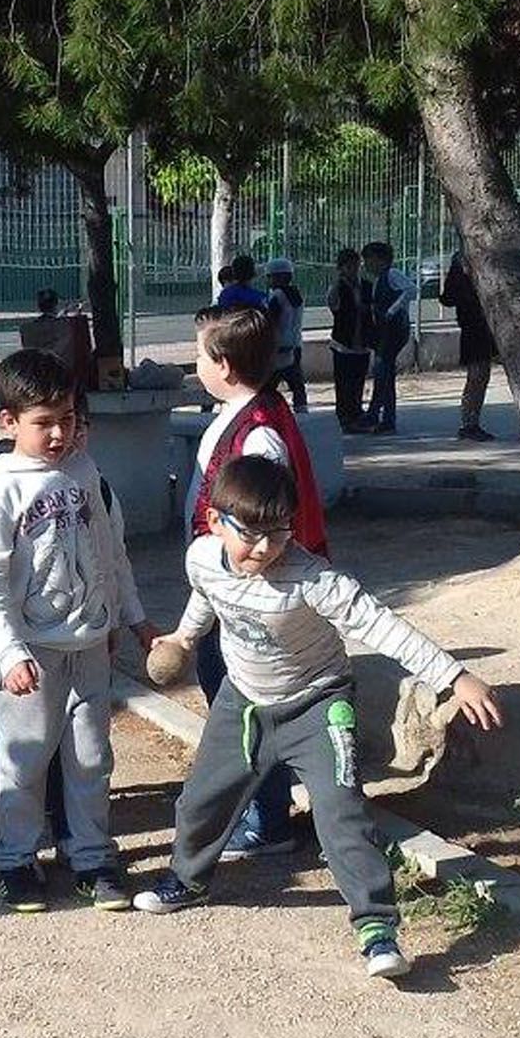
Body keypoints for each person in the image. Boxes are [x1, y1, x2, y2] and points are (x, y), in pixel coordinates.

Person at [133, 456, 504, 978]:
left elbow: (381, 625)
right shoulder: (201, 557)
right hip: (245, 702)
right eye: (251, 533)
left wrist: (452, 677)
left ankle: (376, 928)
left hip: (317, 703)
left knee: (340, 811)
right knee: (201, 799)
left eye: (279, 531)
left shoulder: (312, 580)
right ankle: (187, 880)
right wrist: (184, 638)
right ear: (216, 523)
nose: (265, 547)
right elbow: (207, 596)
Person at [0, 349, 156, 913]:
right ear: (9, 422)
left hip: (90, 648)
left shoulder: (85, 471)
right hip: (31, 654)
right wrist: (8, 649)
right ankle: (17, 860)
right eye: (42, 422)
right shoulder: (0, 486)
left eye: (67, 419)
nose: (58, 434)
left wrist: (131, 615)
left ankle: (91, 856)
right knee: (23, 760)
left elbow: (110, 551)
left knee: (92, 758)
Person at [185, 304, 329, 861]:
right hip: (227, 582)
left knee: (246, 701)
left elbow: (266, 519)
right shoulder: (240, 413)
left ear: (222, 364)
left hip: (248, 589)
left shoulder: (259, 435)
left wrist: (235, 577)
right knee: (232, 693)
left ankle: (268, 819)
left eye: (200, 354)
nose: (195, 363)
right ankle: (265, 811)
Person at [441, 252, 498, 442]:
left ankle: (471, 421)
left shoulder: (480, 271)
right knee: (477, 377)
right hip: (474, 329)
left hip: (482, 328)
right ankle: (469, 423)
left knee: (480, 377)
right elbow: (448, 298)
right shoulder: (462, 278)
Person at [362, 242, 415, 434]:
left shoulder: (392, 275)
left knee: (382, 370)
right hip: (383, 332)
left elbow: (410, 289)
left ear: (380, 259)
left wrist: (392, 310)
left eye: (369, 259)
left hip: (394, 331)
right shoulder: (378, 280)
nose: (366, 264)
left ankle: (380, 415)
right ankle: (381, 415)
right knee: (383, 372)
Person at [328, 248, 374, 430]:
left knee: (358, 380)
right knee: (344, 381)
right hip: (343, 342)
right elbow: (334, 308)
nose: (353, 269)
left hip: (362, 341)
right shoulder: (338, 288)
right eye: (348, 266)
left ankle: (356, 411)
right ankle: (344, 415)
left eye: (355, 265)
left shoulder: (367, 286)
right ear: (341, 268)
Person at [263, 257, 308, 415]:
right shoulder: (297, 293)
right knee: (297, 384)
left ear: (278, 276)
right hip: (296, 344)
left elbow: (271, 320)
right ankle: (302, 411)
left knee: (268, 384)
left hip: (279, 345)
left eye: (270, 276)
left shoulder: (277, 295)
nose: (268, 280)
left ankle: (267, 413)